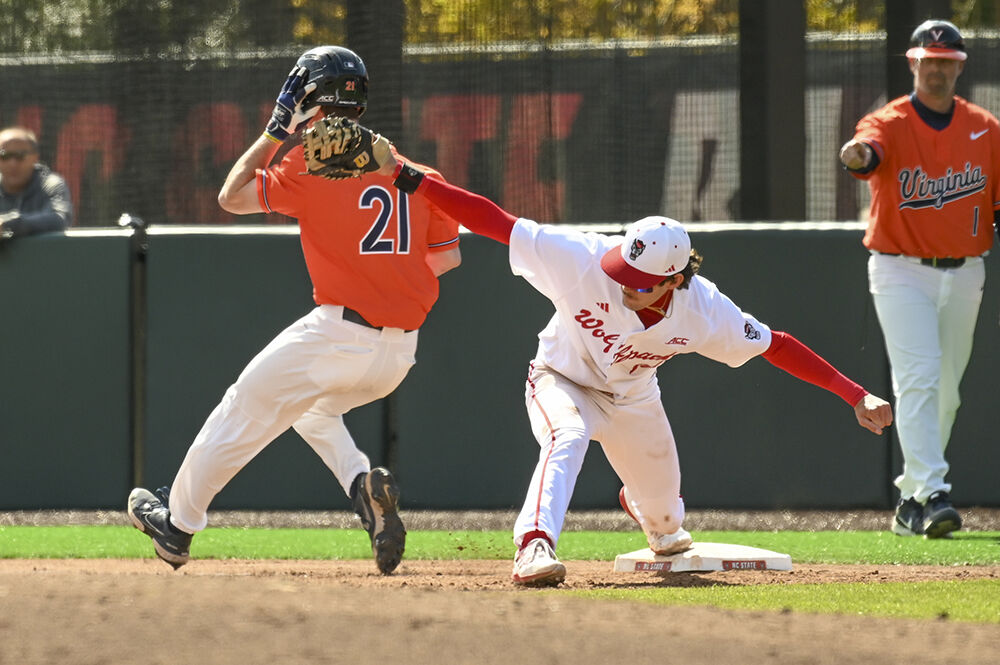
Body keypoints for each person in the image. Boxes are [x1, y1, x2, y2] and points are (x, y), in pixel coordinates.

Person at [342, 125, 893, 586]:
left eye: (640, 282)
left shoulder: (704, 310)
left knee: (670, 533)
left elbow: (776, 345)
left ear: (676, 279)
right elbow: (495, 221)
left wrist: (855, 394)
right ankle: (533, 545)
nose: (624, 284)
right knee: (569, 436)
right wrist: (405, 176)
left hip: (633, 398)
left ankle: (647, 510)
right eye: (623, 272)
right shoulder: (584, 256)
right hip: (560, 377)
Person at [125, 46, 461, 574]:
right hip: (399, 355)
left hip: (337, 334)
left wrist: (276, 128)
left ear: (307, 97)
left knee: (242, 407)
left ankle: (177, 526)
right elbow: (447, 258)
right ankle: (361, 488)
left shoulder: (307, 161)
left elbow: (231, 197)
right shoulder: (416, 171)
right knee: (311, 410)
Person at [838, 19, 999, 539]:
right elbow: (869, 151)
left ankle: (910, 498)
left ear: (959, 68)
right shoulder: (890, 121)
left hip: (966, 270)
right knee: (921, 379)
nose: (937, 70)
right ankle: (932, 494)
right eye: (929, 61)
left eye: (946, 62)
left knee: (946, 393)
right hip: (901, 268)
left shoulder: (985, 128)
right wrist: (859, 156)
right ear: (914, 64)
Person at [0, 127, 73, 241]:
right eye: (4, 155)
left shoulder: (51, 184)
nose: (12, 163)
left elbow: (59, 219)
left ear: (35, 157)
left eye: (20, 155)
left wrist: (7, 224)